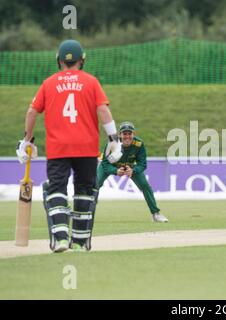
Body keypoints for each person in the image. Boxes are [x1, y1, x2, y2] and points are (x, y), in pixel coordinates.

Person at [16, 39, 122, 253]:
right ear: (82, 60)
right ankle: (81, 242)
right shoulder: (91, 82)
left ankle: (61, 239)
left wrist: (27, 141)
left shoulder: (48, 83)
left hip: (58, 148)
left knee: (57, 189)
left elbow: (31, 112)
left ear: (59, 61)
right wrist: (114, 139)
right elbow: (102, 110)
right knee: (84, 190)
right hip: (86, 147)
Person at [97, 121, 169, 223]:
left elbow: (142, 164)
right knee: (95, 184)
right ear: (119, 134)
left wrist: (133, 170)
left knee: (145, 186)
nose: (127, 136)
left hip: (129, 166)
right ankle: (89, 212)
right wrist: (115, 171)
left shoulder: (138, 144)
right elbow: (104, 163)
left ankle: (156, 214)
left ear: (133, 134)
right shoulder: (112, 142)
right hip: (111, 165)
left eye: (129, 133)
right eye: (124, 133)